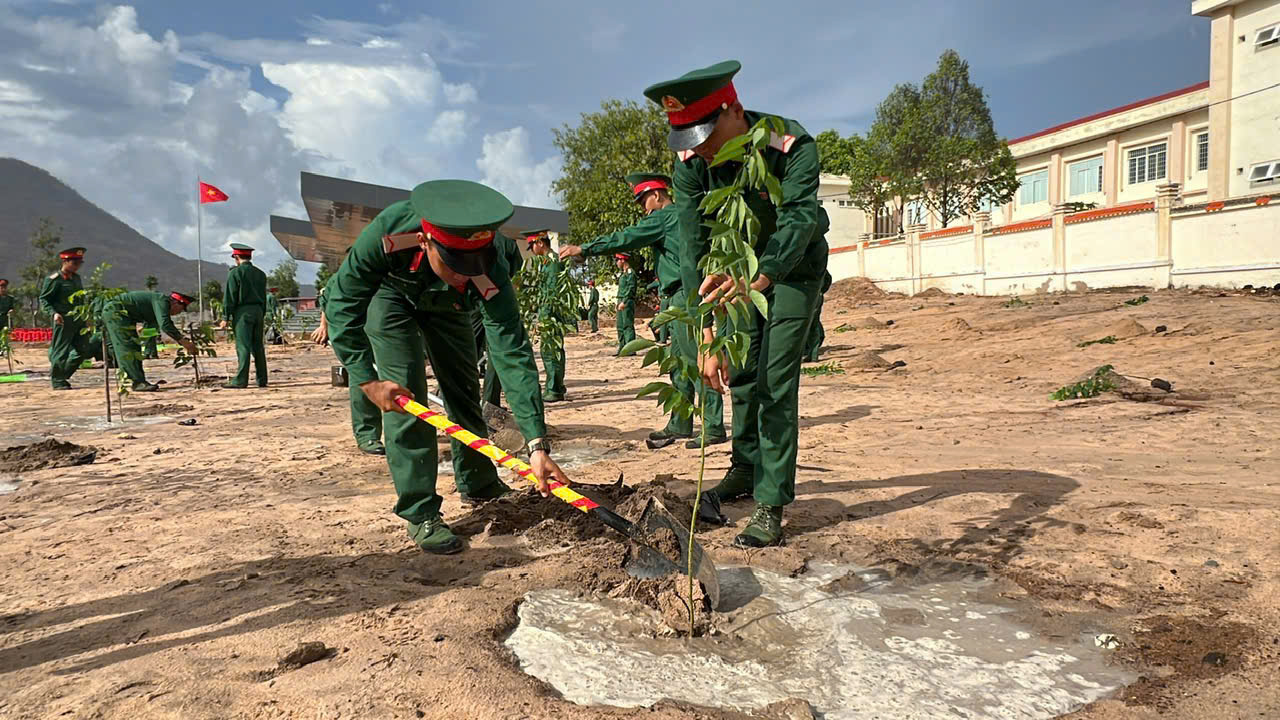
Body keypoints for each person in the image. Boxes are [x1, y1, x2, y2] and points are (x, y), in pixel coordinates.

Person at [324, 179, 571, 555]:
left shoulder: (485, 267)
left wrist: (536, 442)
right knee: (407, 396)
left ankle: (479, 480)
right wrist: (366, 379)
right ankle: (420, 510)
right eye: (456, 265)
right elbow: (342, 303)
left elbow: (512, 348)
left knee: (464, 388)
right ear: (425, 241)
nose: (465, 276)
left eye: (475, 267)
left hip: (448, 307)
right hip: (391, 296)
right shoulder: (389, 233)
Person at [644, 60, 830, 547]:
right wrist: (704, 334)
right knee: (741, 371)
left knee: (773, 379)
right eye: (688, 138)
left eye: (705, 133)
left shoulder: (788, 145)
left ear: (734, 109)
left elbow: (798, 222)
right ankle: (745, 468)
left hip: (790, 270)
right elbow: (692, 247)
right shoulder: (691, 166)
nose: (699, 148)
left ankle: (771, 501)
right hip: (730, 276)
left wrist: (758, 279)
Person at [558, 173, 727, 450]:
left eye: (643, 201)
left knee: (696, 361)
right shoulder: (680, 217)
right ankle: (680, 423)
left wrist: (586, 249)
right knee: (679, 367)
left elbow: (628, 237)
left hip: (685, 296)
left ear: (658, 195)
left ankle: (713, 425)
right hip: (676, 297)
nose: (643, 209)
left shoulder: (665, 216)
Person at [313, 284, 385, 455]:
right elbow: (327, 297)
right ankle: (368, 435)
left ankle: (407, 432)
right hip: (355, 329)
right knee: (363, 376)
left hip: (385, 326)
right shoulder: (352, 273)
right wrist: (324, 326)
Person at [101, 291, 198, 391]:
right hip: (116, 312)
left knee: (132, 347)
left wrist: (150, 350)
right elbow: (165, 325)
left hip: (119, 314)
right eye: (181, 309)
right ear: (176, 303)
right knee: (128, 347)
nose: (178, 313)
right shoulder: (162, 301)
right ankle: (136, 383)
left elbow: (151, 331)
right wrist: (184, 342)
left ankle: (135, 379)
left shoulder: (157, 306)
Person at [39, 247, 102, 390]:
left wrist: (86, 317)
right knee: (60, 351)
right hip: (63, 320)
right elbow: (44, 299)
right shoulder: (54, 279)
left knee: (83, 350)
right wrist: (53, 313)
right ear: (65, 261)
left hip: (78, 320)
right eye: (75, 263)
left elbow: (80, 299)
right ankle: (58, 381)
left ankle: (63, 374)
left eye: (80, 263)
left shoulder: (77, 278)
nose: (77, 266)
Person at [525, 229, 567, 402]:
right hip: (545, 313)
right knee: (547, 351)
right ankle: (554, 385)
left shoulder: (552, 263)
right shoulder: (545, 263)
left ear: (540, 243)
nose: (532, 250)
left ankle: (555, 389)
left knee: (551, 352)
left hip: (551, 315)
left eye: (532, 245)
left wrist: (545, 317)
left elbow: (552, 294)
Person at [219, 243, 269, 388]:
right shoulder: (260, 273)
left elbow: (230, 296)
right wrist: (262, 313)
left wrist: (225, 317)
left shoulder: (235, 273)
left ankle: (241, 380)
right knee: (258, 346)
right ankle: (262, 379)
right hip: (259, 311)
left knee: (243, 346)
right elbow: (264, 297)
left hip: (243, 312)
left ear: (236, 257)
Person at [804, 271, 832, 363]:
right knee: (813, 324)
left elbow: (827, 279)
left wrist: (820, 291)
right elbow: (828, 279)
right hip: (814, 295)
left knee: (810, 324)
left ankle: (813, 354)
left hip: (809, 296)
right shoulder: (818, 265)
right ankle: (812, 354)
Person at [613, 253, 637, 354]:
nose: (617, 263)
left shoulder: (630, 273)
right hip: (620, 300)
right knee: (620, 326)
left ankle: (630, 349)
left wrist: (624, 301)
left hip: (626, 301)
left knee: (627, 325)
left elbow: (631, 288)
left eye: (617, 260)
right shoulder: (623, 274)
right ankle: (622, 349)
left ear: (623, 260)